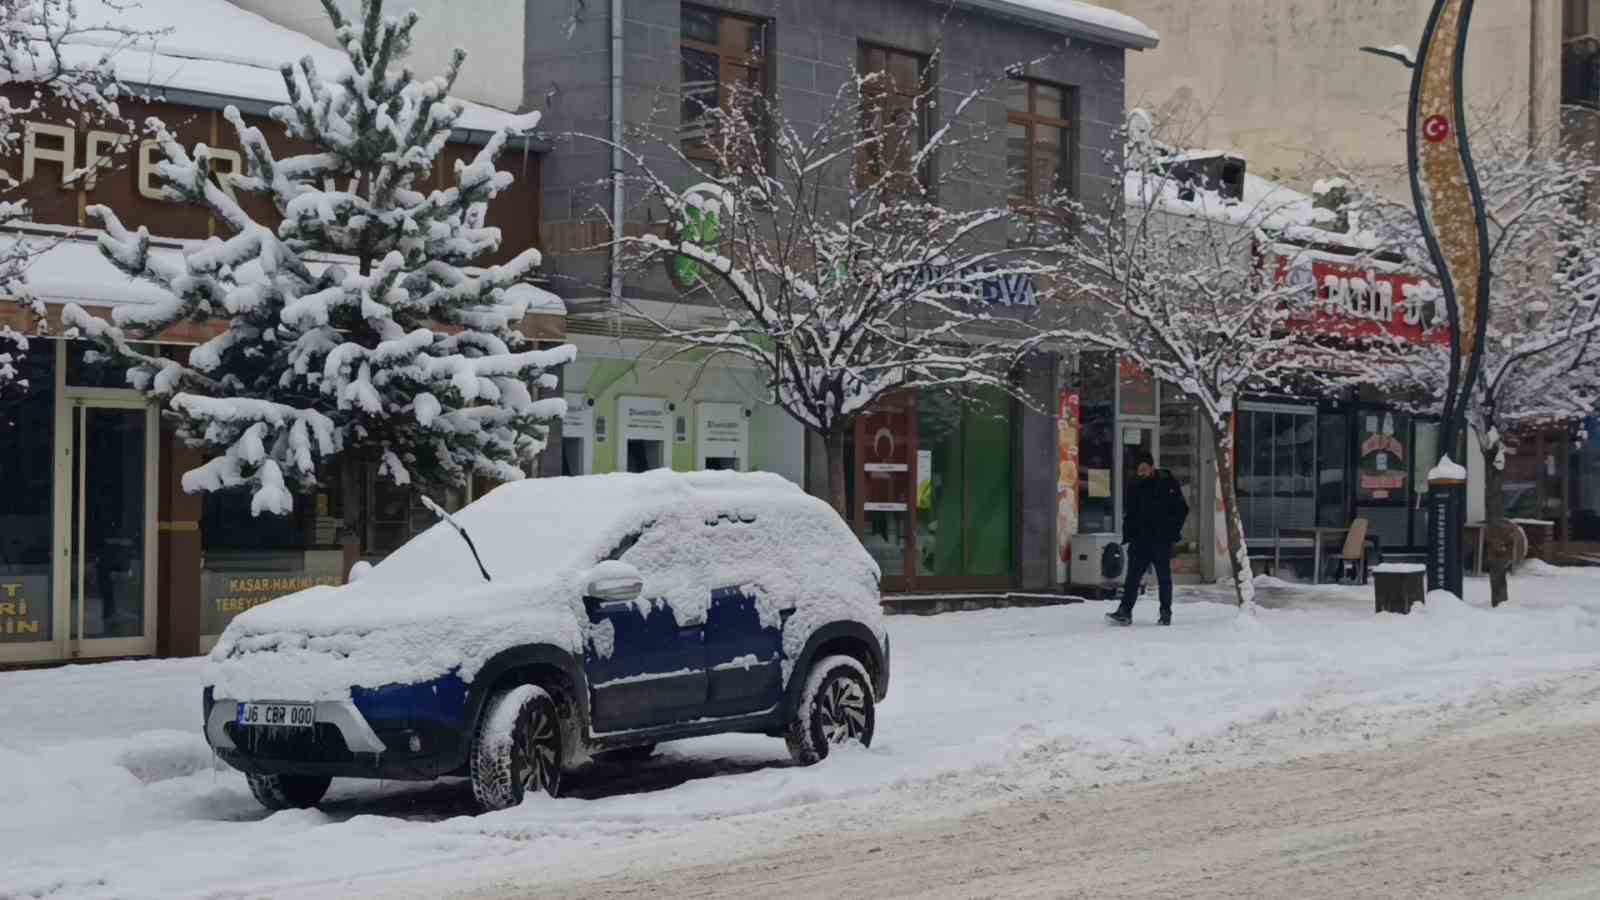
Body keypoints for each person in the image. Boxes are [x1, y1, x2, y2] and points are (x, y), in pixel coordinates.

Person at [1106, 451, 1188, 626]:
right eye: (1138, 470)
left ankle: (1165, 613)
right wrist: (1129, 535)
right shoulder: (1134, 484)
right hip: (1140, 540)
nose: (1141, 473)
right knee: (1132, 578)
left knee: (1164, 577)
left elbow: (1182, 509)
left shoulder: (1167, 482)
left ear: (1152, 467)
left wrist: (1171, 532)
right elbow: (1131, 513)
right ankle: (1125, 611)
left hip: (1161, 539)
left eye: (1144, 469)